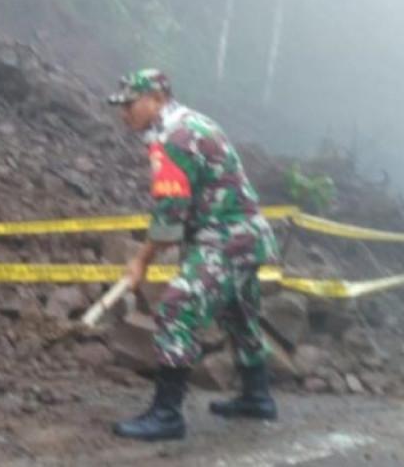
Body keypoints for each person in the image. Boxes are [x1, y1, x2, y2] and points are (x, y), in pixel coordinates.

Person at [107, 68, 280, 441]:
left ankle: (167, 415)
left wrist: (140, 261)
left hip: (225, 240)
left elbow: (170, 216)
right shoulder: (189, 125)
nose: (124, 114)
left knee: (176, 310)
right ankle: (257, 395)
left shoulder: (175, 139)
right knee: (240, 315)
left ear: (155, 98)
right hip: (245, 237)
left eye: (130, 104)